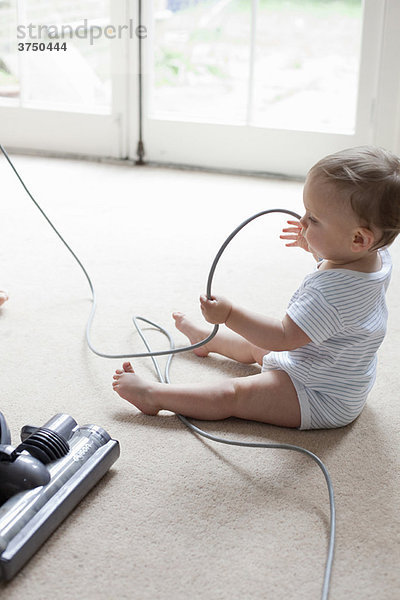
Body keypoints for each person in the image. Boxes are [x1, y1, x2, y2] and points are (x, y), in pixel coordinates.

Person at [112, 146, 400, 429]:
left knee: (233, 394)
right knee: (253, 342)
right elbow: (341, 264)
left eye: (313, 219)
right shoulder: (375, 256)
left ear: (359, 239)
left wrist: (230, 315)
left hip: (319, 395)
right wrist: (316, 247)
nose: (302, 221)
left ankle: (153, 396)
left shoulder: (331, 294)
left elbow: (283, 336)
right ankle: (208, 341)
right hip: (326, 365)